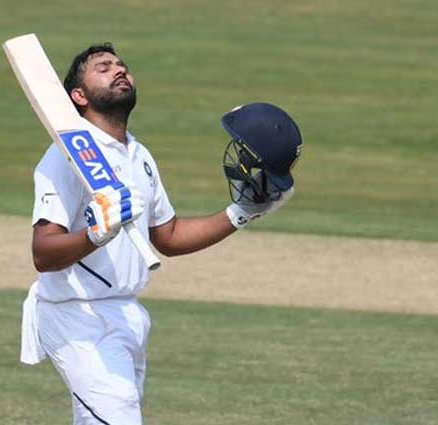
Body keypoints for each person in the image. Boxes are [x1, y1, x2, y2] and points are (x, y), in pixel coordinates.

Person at [19, 42, 302, 425]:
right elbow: (42, 252)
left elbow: (167, 235)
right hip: (77, 316)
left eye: (121, 65)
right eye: (103, 67)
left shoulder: (139, 156)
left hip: (126, 313)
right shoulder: (65, 157)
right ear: (78, 96)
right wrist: (94, 236)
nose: (119, 70)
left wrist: (239, 214)